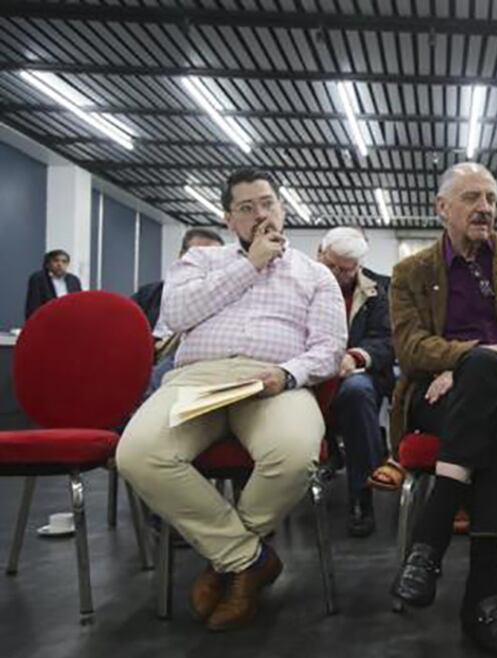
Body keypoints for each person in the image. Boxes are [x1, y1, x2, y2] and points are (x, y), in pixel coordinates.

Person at [116, 168, 346, 631]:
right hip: (197, 378)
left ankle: (224, 563)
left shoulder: (315, 274)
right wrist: (250, 264)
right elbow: (177, 314)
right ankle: (248, 559)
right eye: (246, 208)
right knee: (138, 453)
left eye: (268, 203)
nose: (260, 214)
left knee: (294, 454)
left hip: (273, 382)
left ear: (282, 208)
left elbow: (329, 347)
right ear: (229, 219)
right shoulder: (200, 262)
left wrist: (287, 373)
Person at [387, 162, 497, 658]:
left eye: (490, 198)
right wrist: (470, 361)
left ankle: (431, 538)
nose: (485, 208)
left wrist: (472, 363)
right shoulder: (410, 273)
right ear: (442, 208)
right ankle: (484, 596)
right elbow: (410, 347)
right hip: (440, 398)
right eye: (471, 198)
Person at [317, 226, 394, 538]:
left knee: (356, 393)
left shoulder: (379, 291)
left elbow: (387, 341)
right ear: (319, 254)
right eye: (329, 265)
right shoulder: (297, 285)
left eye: (344, 269)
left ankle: (361, 494)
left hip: (357, 375)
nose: (335, 274)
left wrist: (356, 357)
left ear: (358, 266)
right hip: (310, 373)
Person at [133, 228, 226, 391]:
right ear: (181, 256)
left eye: (212, 258)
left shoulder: (225, 299)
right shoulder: (150, 293)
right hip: (144, 355)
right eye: (196, 255)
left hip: (186, 361)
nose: (203, 262)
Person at [25, 249, 82, 320]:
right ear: (48, 264)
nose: (60, 264)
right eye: (56, 261)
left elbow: (79, 304)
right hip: (47, 319)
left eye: (64, 262)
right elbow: (33, 305)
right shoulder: (39, 279)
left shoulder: (73, 280)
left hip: (69, 319)